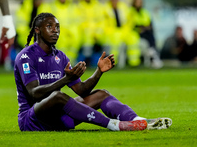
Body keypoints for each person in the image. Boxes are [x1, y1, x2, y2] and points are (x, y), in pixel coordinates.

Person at [14, 12, 172, 131]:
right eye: (50, 27)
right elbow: (34, 93)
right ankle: (114, 125)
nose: (55, 31)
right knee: (58, 96)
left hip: (58, 118)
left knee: (101, 94)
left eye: (57, 27)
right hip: (33, 120)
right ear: (37, 30)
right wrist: (64, 80)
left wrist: (98, 72)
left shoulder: (60, 57)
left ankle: (140, 121)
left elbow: (81, 90)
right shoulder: (26, 57)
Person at [129, 0, 163, 68]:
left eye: (140, 2)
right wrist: (142, 27)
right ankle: (153, 54)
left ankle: (152, 52)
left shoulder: (145, 12)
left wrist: (145, 27)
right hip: (135, 34)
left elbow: (150, 24)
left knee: (150, 34)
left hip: (145, 32)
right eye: (137, 2)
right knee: (148, 35)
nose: (139, 3)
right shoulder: (131, 12)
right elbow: (131, 25)